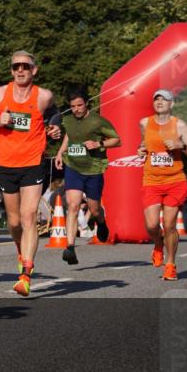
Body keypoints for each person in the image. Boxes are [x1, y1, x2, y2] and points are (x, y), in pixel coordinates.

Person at [0, 51, 62, 296]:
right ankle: (19, 247)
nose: (20, 70)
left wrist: (55, 128)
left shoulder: (43, 96)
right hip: (5, 162)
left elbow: (55, 115)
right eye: (16, 67)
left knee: (29, 215)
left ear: (34, 70)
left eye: (25, 66)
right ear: (12, 71)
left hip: (34, 161)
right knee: (14, 222)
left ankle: (26, 273)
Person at [52, 87, 122, 264]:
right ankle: (70, 247)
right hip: (73, 167)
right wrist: (60, 152)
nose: (76, 109)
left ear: (87, 104)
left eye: (79, 105)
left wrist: (98, 144)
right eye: (73, 106)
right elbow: (69, 135)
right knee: (73, 205)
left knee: (94, 208)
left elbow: (117, 140)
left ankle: (101, 221)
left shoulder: (98, 121)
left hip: (93, 169)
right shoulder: (68, 119)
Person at [138, 89, 187, 280]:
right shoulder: (144, 123)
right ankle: (158, 244)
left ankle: (171, 264)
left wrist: (181, 146)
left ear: (171, 104)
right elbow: (144, 144)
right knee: (151, 225)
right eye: (156, 99)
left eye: (164, 99)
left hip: (175, 180)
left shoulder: (179, 125)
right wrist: (141, 149)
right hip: (151, 180)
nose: (159, 102)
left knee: (169, 224)